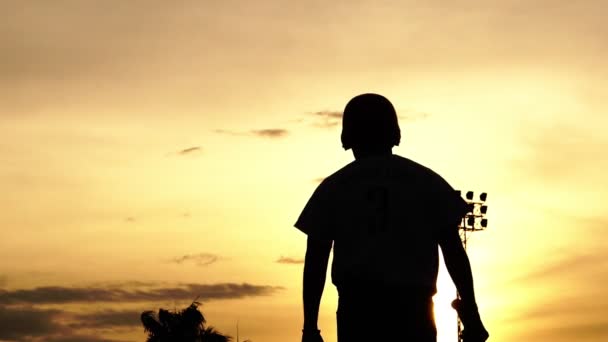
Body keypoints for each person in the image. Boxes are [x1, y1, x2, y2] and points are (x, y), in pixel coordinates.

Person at [294, 93, 489, 342]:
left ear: (348, 137)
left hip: (358, 313)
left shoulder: (334, 187)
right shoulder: (426, 182)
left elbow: (315, 262)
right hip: (414, 312)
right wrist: (472, 315)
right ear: (395, 134)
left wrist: (310, 326)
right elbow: (454, 253)